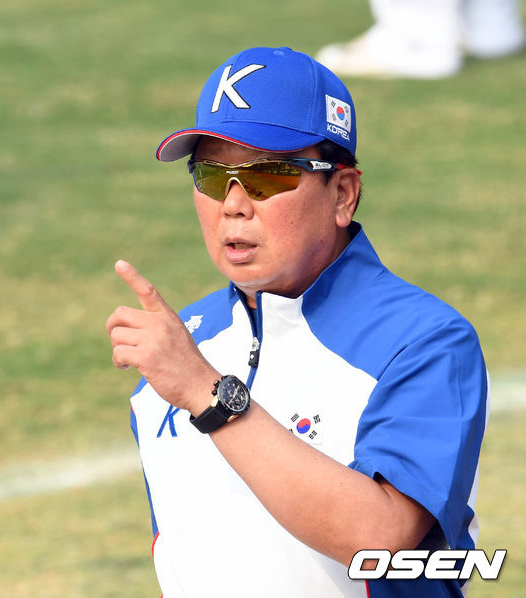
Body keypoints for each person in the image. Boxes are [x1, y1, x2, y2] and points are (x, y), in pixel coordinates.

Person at [106, 46, 489, 597]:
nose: (234, 205)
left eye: (267, 175)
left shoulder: (424, 343)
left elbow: (381, 540)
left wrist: (209, 396)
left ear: (343, 194)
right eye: (212, 176)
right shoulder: (178, 347)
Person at [316, 0, 525, 79]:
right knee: (492, 33)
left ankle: (419, 44)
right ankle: (492, 31)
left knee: (424, 30)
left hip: (427, 49)